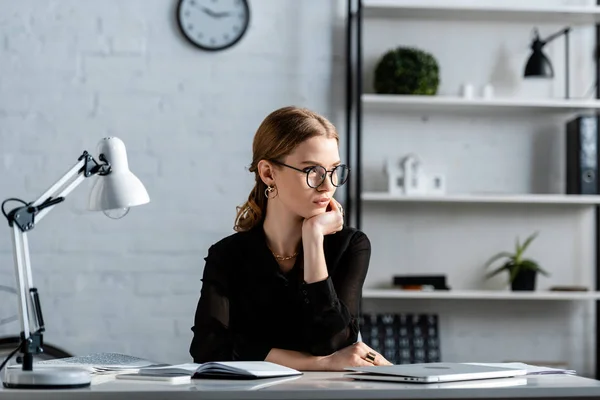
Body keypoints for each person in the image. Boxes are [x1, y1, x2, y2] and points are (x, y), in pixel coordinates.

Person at [189, 106, 392, 371]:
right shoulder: (227, 256)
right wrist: (323, 364)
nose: (328, 185)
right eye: (312, 171)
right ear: (268, 174)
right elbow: (207, 349)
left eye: (334, 170)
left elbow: (331, 341)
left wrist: (314, 237)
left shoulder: (350, 245)